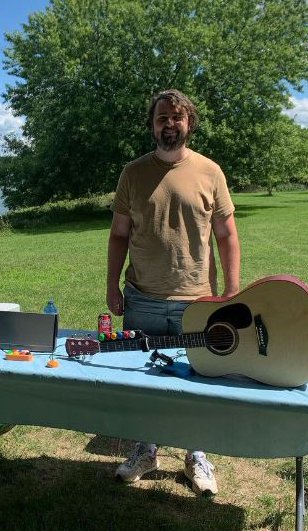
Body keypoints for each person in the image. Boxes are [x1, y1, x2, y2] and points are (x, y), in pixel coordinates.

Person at [106, 89, 240, 496]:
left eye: (177, 118)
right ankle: (146, 449)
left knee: (196, 379)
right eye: (162, 118)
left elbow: (227, 235)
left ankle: (195, 455)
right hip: (142, 296)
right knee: (141, 379)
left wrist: (232, 292)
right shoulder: (132, 173)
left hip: (196, 299)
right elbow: (118, 235)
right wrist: (111, 285)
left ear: (189, 123)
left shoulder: (210, 171)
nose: (169, 124)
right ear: (152, 125)